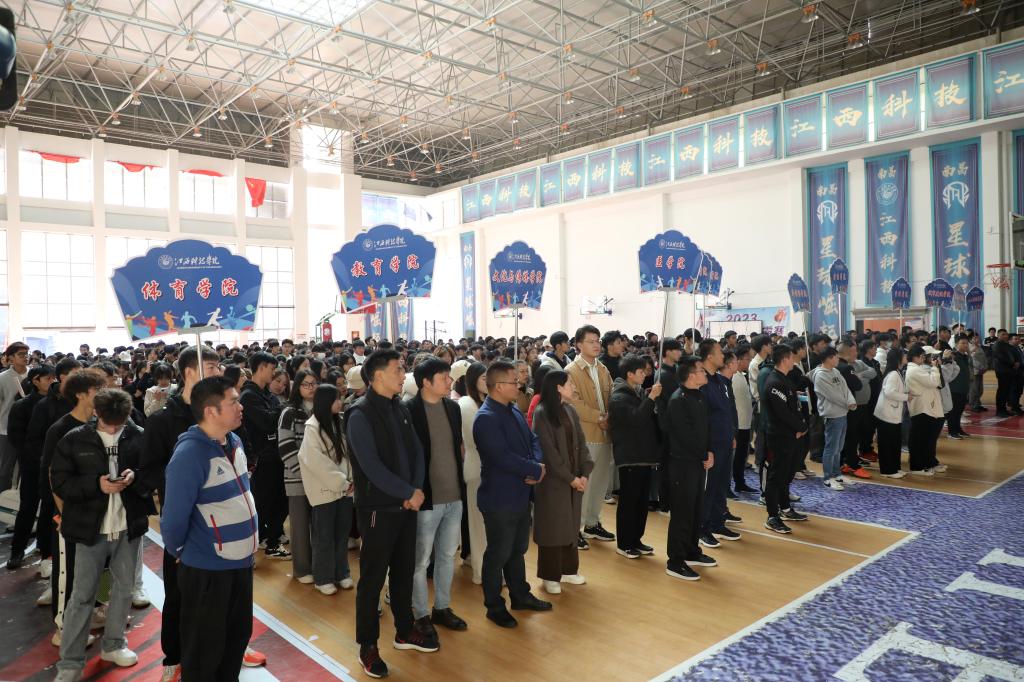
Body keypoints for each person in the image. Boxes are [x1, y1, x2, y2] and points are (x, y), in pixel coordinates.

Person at [51, 388, 154, 681]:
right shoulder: (74, 439)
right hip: (90, 530)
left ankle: (114, 644)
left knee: (124, 589)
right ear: (96, 413)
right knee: (82, 595)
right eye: (108, 424)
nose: (113, 429)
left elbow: (151, 472)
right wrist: (96, 485)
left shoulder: (138, 436)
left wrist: (135, 476)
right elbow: (60, 481)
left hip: (128, 527)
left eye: (118, 424)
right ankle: (70, 663)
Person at [162, 377, 258, 682]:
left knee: (235, 640)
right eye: (233, 402)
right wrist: (181, 551)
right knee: (205, 651)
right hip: (207, 569)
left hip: (240, 563)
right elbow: (173, 518)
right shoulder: (190, 455)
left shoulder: (234, 442)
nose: (241, 407)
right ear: (211, 411)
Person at [346, 349, 433, 680]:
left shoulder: (400, 407)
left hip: (406, 506)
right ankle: (367, 646)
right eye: (398, 369)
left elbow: (417, 452)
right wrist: (406, 492)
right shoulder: (360, 414)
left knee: (403, 571)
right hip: (378, 510)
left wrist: (415, 489)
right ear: (377, 375)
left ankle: (404, 630)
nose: (403, 374)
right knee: (372, 580)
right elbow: (371, 466)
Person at [473, 360, 551, 628]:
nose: (519, 385)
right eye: (514, 381)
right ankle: (494, 606)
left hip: (521, 492)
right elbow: (501, 457)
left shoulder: (513, 409)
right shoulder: (486, 418)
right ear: (497, 386)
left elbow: (533, 440)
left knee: (517, 549)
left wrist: (537, 465)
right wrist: (533, 469)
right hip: (500, 497)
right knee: (498, 553)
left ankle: (520, 595)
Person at [404, 357, 469, 633]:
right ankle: (420, 613)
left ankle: (442, 607)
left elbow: (457, 446)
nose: (450, 381)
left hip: (454, 495)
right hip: (426, 498)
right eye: (444, 377)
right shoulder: (408, 410)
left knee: (446, 556)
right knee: (420, 561)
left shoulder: (452, 408)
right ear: (426, 382)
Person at [42, 368, 106, 643]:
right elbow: (52, 475)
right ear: (80, 394)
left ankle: (88, 614)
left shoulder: (97, 424)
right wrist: (63, 514)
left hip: (94, 511)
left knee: (90, 570)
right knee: (66, 571)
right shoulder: (60, 429)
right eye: (97, 390)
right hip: (70, 513)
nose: (102, 394)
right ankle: (63, 629)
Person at [531, 369, 592, 592]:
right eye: (570, 384)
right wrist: (570, 478)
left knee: (570, 524)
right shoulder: (542, 413)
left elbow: (582, 444)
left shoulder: (570, 411)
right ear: (558, 387)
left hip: (574, 479)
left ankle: (568, 570)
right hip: (553, 482)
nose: (573, 388)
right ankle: (550, 576)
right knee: (553, 527)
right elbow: (549, 453)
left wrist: (584, 473)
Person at [27, 356, 83, 591]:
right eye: (76, 374)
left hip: (79, 477)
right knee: (52, 519)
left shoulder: (82, 404)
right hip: (54, 473)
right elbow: (34, 441)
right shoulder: (45, 406)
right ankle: (48, 562)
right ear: (62, 377)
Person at [664, 355, 717, 581]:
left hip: (698, 461)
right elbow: (684, 436)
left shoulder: (700, 396)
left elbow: (705, 429)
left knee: (696, 508)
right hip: (682, 463)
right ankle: (675, 561)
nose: (705, 373)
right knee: (682, 512)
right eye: (701, 370)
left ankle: (691, 550)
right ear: (691, 375)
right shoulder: (678, 400)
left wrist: (710, 450)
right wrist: (703, 454)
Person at [299, 384, 354, 595]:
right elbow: (316, 462)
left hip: (345, 489)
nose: (340, 402)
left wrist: (351, 480)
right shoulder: (312, 428)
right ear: (325, 402)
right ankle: (323, 577)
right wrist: (342, 482)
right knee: (324, 537)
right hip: (325, 491)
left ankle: (342, 572)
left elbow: (348, 455)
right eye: (336, 399)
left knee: (341, 534)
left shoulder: (338, 421)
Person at [565, 325, 615, 544]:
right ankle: (575, 527)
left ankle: (593, 523)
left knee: (600, 483)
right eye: (591, 341)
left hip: (605, 434)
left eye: (598, 341)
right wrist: (599, 417)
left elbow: (612, 395)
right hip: (586, 434)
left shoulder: (602, 369)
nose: (596, 345)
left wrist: (611, 417)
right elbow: (574, 402)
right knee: (584, 483)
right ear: (578, 344)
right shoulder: (571, 371)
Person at [608, 354, 660, 559]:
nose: (644, 374)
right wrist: (651, 398)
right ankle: (624, 543)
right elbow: (637, 419)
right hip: (630, 455)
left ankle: (636, 539)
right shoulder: (619, 396)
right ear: (629, 374)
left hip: (643, 454)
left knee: (641, 502)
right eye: (640, 371)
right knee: (629, 502)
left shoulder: (636, 392)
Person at [6, 364, 55, 570]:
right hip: (32, 466)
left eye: (54, 378)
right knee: (28, 508)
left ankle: (45, 550)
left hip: (53, 466)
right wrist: (37, 457)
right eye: (48, 378)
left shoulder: (57, 403)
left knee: (48, 510)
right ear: (35, 380)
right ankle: (17, 551)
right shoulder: (22, 406)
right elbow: (16, 438)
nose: (52, 381)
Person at [241, 351, 289, 559]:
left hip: (275, 454)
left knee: (278, 499)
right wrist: (283, 409)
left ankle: (270, 536)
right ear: (261, 368)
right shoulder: (248, 396)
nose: (273, 372)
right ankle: (270, 541)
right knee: (266, 501)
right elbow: (267, 422)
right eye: (271, 369)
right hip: (262, 457)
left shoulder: (267, 395)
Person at [278, 369, 320, 585]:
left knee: (320, 526)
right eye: (306, 384)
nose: (311, 388)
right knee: (301, 526)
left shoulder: (322, 409)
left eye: (314, 383)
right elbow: (286, 448)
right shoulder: (289, 412)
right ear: (297, 387)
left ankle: (321, 566)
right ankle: (302, 569)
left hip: (322, 479)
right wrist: (306, 474)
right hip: (298, 478)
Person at [761, 345, 808, 533]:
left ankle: (786, 508)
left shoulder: (785, 379)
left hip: (791, 435)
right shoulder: (774, 382)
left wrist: (800, 426)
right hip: (779, 436)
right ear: (785, 359)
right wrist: (800, 427)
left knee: (786, 474)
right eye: (791, 357)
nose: (794, 360)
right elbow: (782, 413)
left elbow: (793, 407)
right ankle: (772, 516)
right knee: (776, 476)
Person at [697, 340, 739, 548]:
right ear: (709, 356)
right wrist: (706, 448)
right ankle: (702, 528)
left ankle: (717, 523)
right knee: (709, 488)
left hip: (724, 440)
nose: (723, 355)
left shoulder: (720, 380)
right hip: (711, 444)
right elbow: (702, 418)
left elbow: (726, 410)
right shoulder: (701, 380)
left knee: (721, 485)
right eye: (719, 352)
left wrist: (731, 434)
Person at [458, 361, 488, 584]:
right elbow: (476, 439)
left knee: (489, 526)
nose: (488, 382)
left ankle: (488, 568)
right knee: (478, 526)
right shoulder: (466, 404)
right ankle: (481, 571)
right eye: (484, 378)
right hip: (477, 469)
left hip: (492, 470)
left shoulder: (488, 401)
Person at [811, 347, 856, 491]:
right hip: (832, 415)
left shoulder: (835, 371)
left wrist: (851, 401)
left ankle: (837, 474)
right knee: (831, 447)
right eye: (836, 357)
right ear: (828, 358)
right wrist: (847, 403)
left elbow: (845, 388)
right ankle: (827, 477)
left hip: (842, 413)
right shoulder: (820, 375)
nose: (838, 359)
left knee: (839, 447)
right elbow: (832, 395)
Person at [906, 344, 945, 476]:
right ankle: (917, 467)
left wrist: (935, 368)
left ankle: (927, 463)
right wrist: (934, 368)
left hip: (927, 407)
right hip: (921, 408)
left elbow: (939, 383)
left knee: (926, 438)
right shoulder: (915, 370)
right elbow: (934, 382)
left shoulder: (918, 369)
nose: (934, 359)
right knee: (919, 439)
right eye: (923, 356)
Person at [874, 348, 909, 479]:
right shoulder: (893, 374)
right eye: (903, 355)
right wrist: (906, 397)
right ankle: (887, 470)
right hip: (886, 414)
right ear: (898, 358)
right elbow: (889, 392)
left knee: (894, 442)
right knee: (887, 443)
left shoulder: (897, 372)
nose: (906, 357)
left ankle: (895, 468)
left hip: (892, 414)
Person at [0, 341, 30, 492]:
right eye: (21, 354)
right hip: (6, 428)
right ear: (11, 357)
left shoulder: (34, 375)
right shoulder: (2, 378)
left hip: (31, 429)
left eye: (27, 354)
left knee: (27, 469)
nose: (25, 357)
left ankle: (20, 496)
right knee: (5, 468)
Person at [730, 345, 757, 494]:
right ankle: (730, 484)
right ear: (739, 360)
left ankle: (740, 482)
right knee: (735, 457)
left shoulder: (742, 376)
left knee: (742, 456)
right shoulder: (733, 377)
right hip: (737, 425)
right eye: (747, 359)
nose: (749, 362)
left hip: (745, 423)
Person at [946, 336, 971, 439]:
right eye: (963, 343)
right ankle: (951, 432)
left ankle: (958, 429)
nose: (965, 345)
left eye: (966, 343)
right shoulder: (954, 355)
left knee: (960, 411)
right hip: (954, 388)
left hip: (963, 388)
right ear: (956, 344)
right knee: (953, 412)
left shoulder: (965, 356)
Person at [992, 330, 1017, 417]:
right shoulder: (997, 345)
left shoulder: (1006, 345)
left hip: (1009, 370)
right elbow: (1001, 357)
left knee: (1006, 391)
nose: (1005, 336)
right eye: (1003, 334)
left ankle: (1004, 409)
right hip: (1002, 370)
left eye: (1006, 334)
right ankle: (1000, 411)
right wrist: (1013, 363)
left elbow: (1012, 356)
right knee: (1002, 391)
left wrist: (1015, 362)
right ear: (998, 335)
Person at [968, 334, 988, 412]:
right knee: (974, 390)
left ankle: (978, 404)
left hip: (981, 371)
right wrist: (981, 367)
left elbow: (984, 358)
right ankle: (973, 405)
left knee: (980, 389)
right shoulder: (970, 349)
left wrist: (985, 367)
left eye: (977, 338)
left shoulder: (979, 347)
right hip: (974, 372)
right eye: (974, 338)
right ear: (970, 340)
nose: (977, 340)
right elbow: (972, 360)